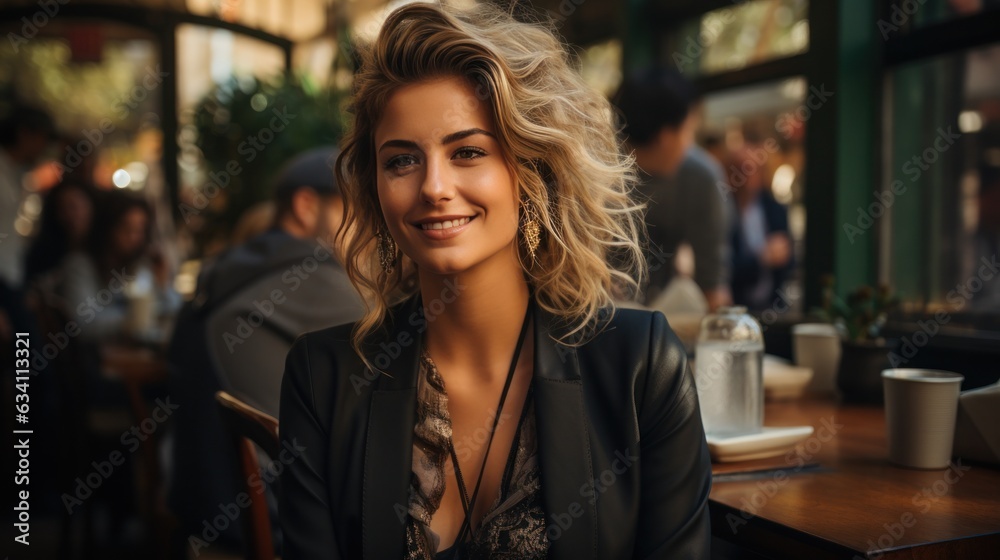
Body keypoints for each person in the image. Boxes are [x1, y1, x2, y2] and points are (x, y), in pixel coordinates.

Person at [278, 4, 712, 559]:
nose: (434, 186)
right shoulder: (323, 379)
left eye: (468, 152)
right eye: (402, 161)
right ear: (376, 189)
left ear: (530, 173)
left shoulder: (640, 368)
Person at [167, 147, 364, 554]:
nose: (365, 227)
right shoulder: (316, 276)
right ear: (307, 205)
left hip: (196, 497)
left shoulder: (229, 264)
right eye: (355, 209)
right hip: (269, 529)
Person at [614, 68, 732, 311]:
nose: (689, 143)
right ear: (666, 137)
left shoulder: (700, 177)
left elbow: (712, 283)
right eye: (688, 131)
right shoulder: (596, 174)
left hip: (665, 318)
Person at [726, 142, 793, 311]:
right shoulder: (723, 212)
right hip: (736, 307)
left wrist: (782, 255)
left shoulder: (775, 209)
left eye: (754, 168)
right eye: (743, 168)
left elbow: (790, 261)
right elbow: (725, 269)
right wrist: (762, 259)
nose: (748, 174)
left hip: (773, 307)